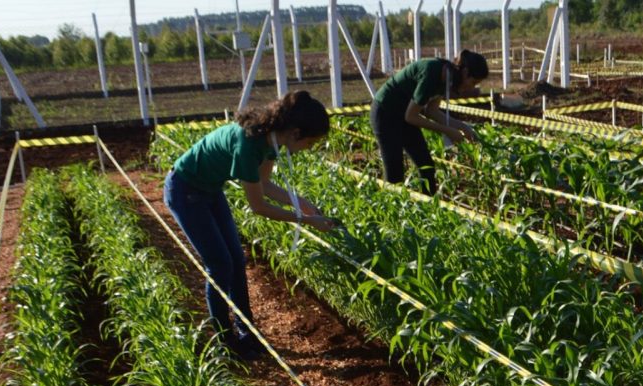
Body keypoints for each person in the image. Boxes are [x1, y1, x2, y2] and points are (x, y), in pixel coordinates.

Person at [164, 90, 337, 360]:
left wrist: (300, 202)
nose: (309, 148)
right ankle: (225, 339)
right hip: (185, 191)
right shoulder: (248, 144)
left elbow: (265, 185)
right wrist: (306, 220)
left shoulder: (271, 142)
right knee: (220, 264)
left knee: (235, 259)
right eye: (311, 142)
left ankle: (248, 333)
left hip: (209, 190)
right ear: (295, 132)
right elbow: (259, 207)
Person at [370, 49, 489, 195]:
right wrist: (448, 131)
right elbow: (411, 116)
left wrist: (464, 127)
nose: (473, 87)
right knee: (395, 175)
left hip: (404, 114)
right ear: (465, 73)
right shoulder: (433, 74)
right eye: (473, 82)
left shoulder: (447, 79)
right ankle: (392, 213)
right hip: (385, 114)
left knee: (426, 165)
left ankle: (428, 209)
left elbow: (431, 112)